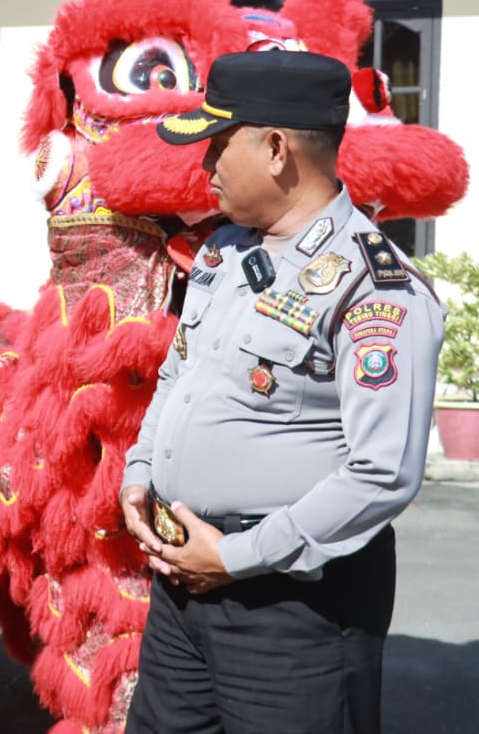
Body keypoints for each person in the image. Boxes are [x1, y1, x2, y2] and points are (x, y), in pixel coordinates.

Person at [119, 50, 445, 733]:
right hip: (184, 590)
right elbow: (181, 375)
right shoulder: (224, 253)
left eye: (217, 143)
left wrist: (235, 558)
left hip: (293, 611)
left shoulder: (373, 287)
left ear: (274, 148)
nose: (204, 165)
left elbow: (383, 472)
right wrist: (140, 473)